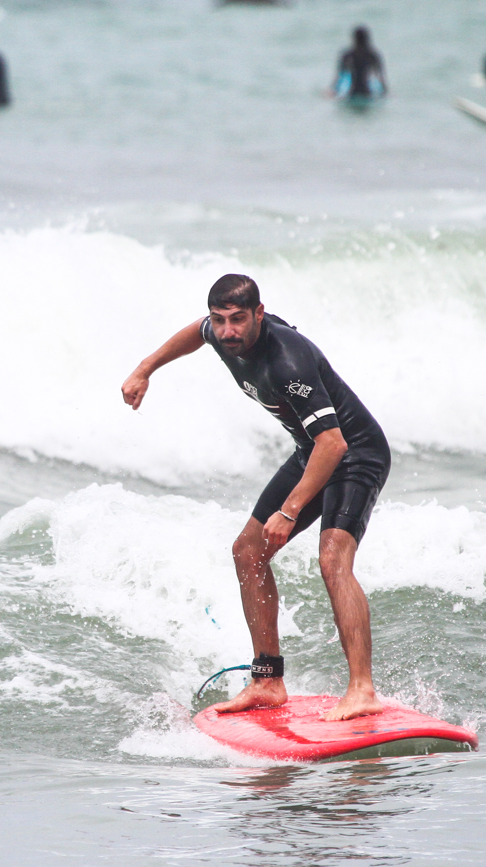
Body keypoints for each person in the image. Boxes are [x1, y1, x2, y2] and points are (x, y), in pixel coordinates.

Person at [121, 275, 391, 722]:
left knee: (332, 559)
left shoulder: (287, 361)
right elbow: (195, 333)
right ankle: (267, 681)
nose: (227, 331)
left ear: (259, 314)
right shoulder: (219, 333)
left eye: (238, 320)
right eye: (219, 319)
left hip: (354, 453)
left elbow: (334, 444)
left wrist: (289, 510)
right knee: (248, 551)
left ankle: (362, 689)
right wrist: (144, 369)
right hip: (311, 453)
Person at [335, 26, 386, 99]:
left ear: (354, 39)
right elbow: (380, 77)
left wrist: (334, 91)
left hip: (352, 92)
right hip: (367, 92)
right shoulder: (372, 55)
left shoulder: (348, 55)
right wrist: (385, 92)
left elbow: (340, 77)